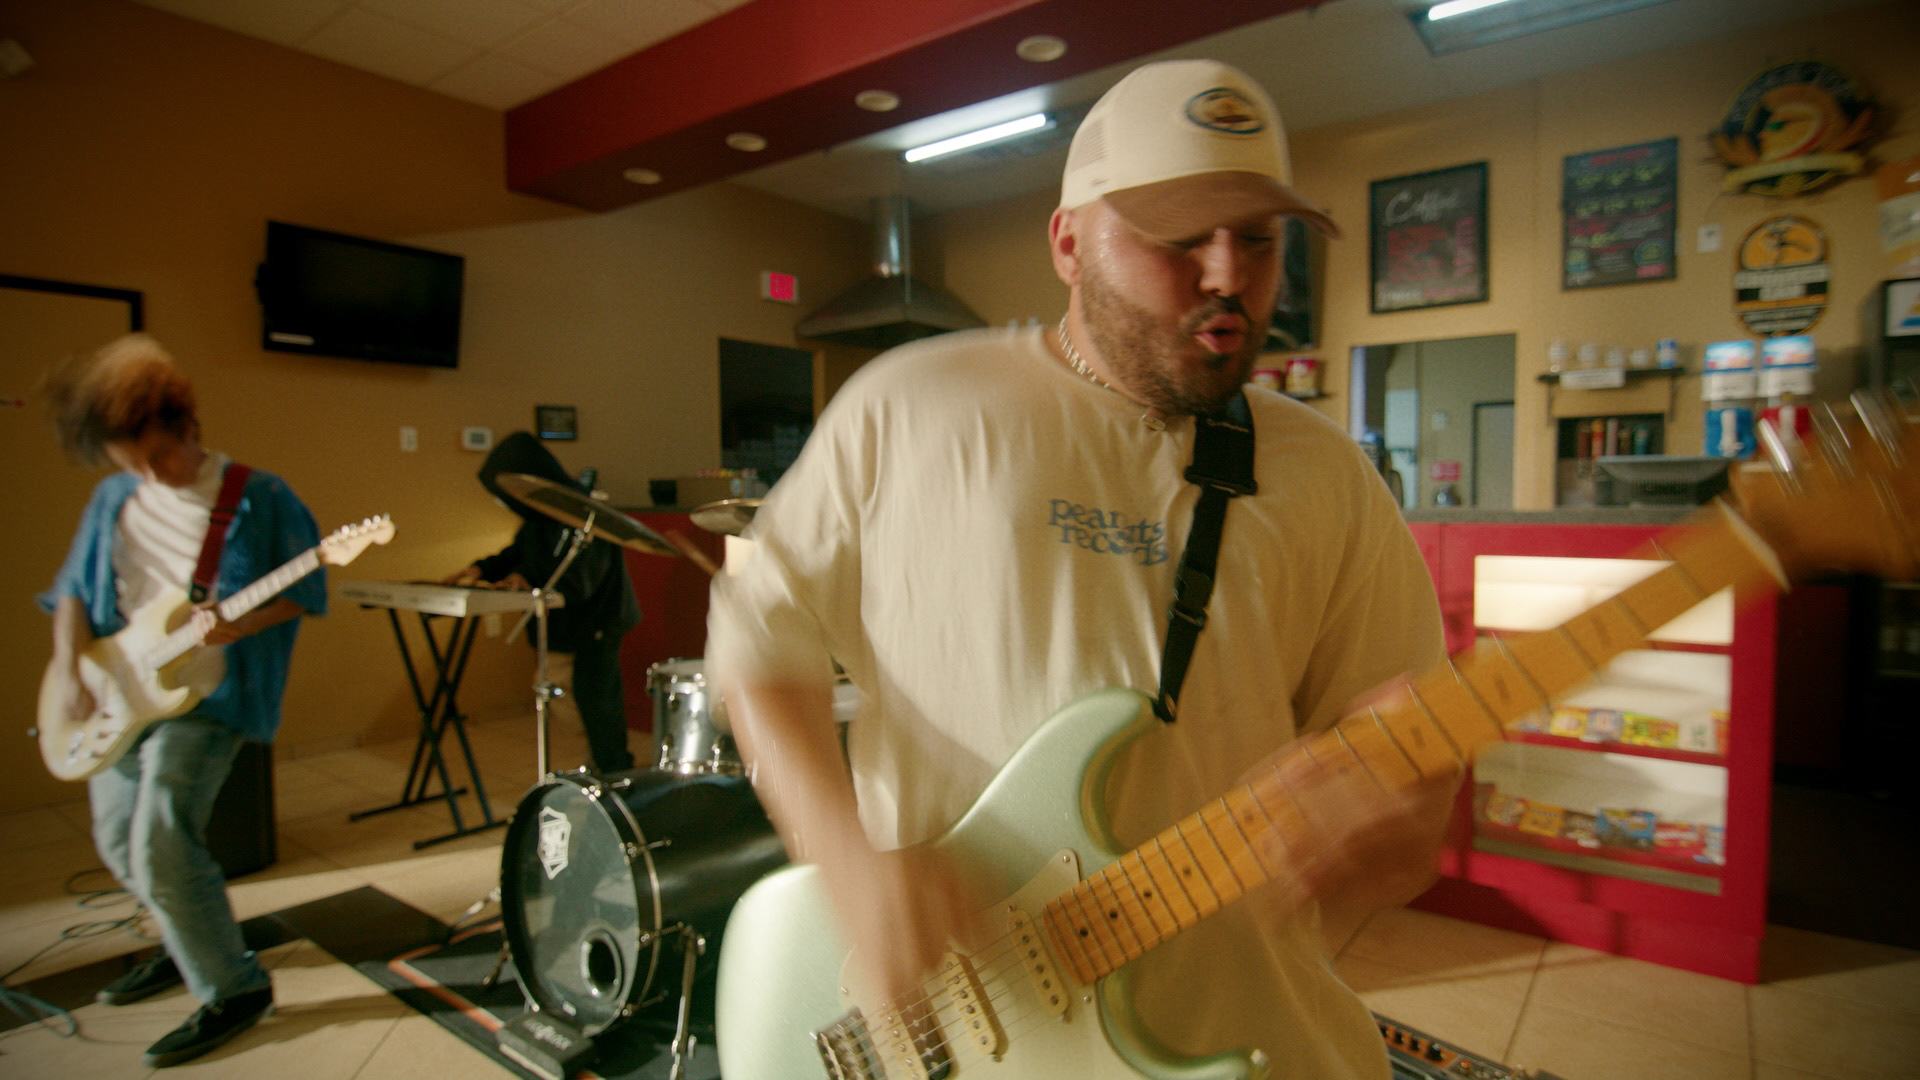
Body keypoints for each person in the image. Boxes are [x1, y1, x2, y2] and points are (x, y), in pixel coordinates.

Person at [708, 59, 1453, 1076]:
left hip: (1245, 1039)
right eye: (1179, 236)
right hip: (964, 1034)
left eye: (1257, 239)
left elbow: (1406, 792)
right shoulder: (910, 407)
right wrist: (845, 864)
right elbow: (759, 644)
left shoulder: (1329, 475)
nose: (1227, 275)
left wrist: (1396, 827)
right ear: (1066, 242)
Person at [37, 334, 325, 1068]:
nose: (143, 471)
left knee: (162, 841)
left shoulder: (257, 496)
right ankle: (186, 937)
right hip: (118, 690)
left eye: (151, 453)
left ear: (180, 422)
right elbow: (72, 591)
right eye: (126, 458)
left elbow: (305, 590)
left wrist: (241, 622)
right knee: (116, 840)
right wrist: (69, 670)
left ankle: (236, 988)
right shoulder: (114, 497)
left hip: (208, 697)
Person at [446, 431, 640, 775]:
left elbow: (581, 576)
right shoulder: (541, 517)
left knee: (595, 699)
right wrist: (482, 569)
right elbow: (521, 553)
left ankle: (613, 768)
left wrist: (528, 580)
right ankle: (601, 758)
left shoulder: (582, 513)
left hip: (596, 621)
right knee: (560, 690)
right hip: (567, 624)